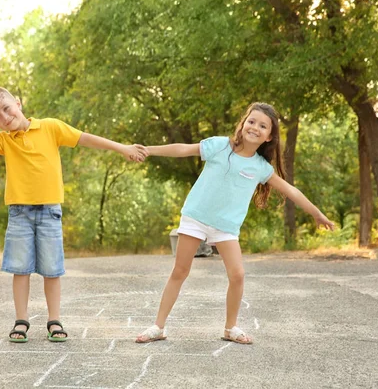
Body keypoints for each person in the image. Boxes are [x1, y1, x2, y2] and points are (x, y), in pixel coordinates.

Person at [136, 102, 334, 344]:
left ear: (269, 137)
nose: (255, 128)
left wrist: (316, 213)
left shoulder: (261, 168)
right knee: (180, 270)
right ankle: (158, 326)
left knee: (238, 274)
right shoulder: (220, 146)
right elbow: (182, 149)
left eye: (262, 126)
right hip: (196, 217)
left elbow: (291, 190)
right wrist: (149, 150)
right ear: (243, 124)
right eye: (251, 121)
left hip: (225, 227)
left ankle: (230, 328)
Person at [0, 87, 148, 343]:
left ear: (18, 104)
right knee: (20, 269)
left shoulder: (49, 127)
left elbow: (86, 138)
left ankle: (54, 319)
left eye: (6, 109)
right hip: (19, 213)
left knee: (52, 270)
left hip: (49, 212)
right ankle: (22, 320)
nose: (4, 118)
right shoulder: (3, 140)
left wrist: (122, 148)